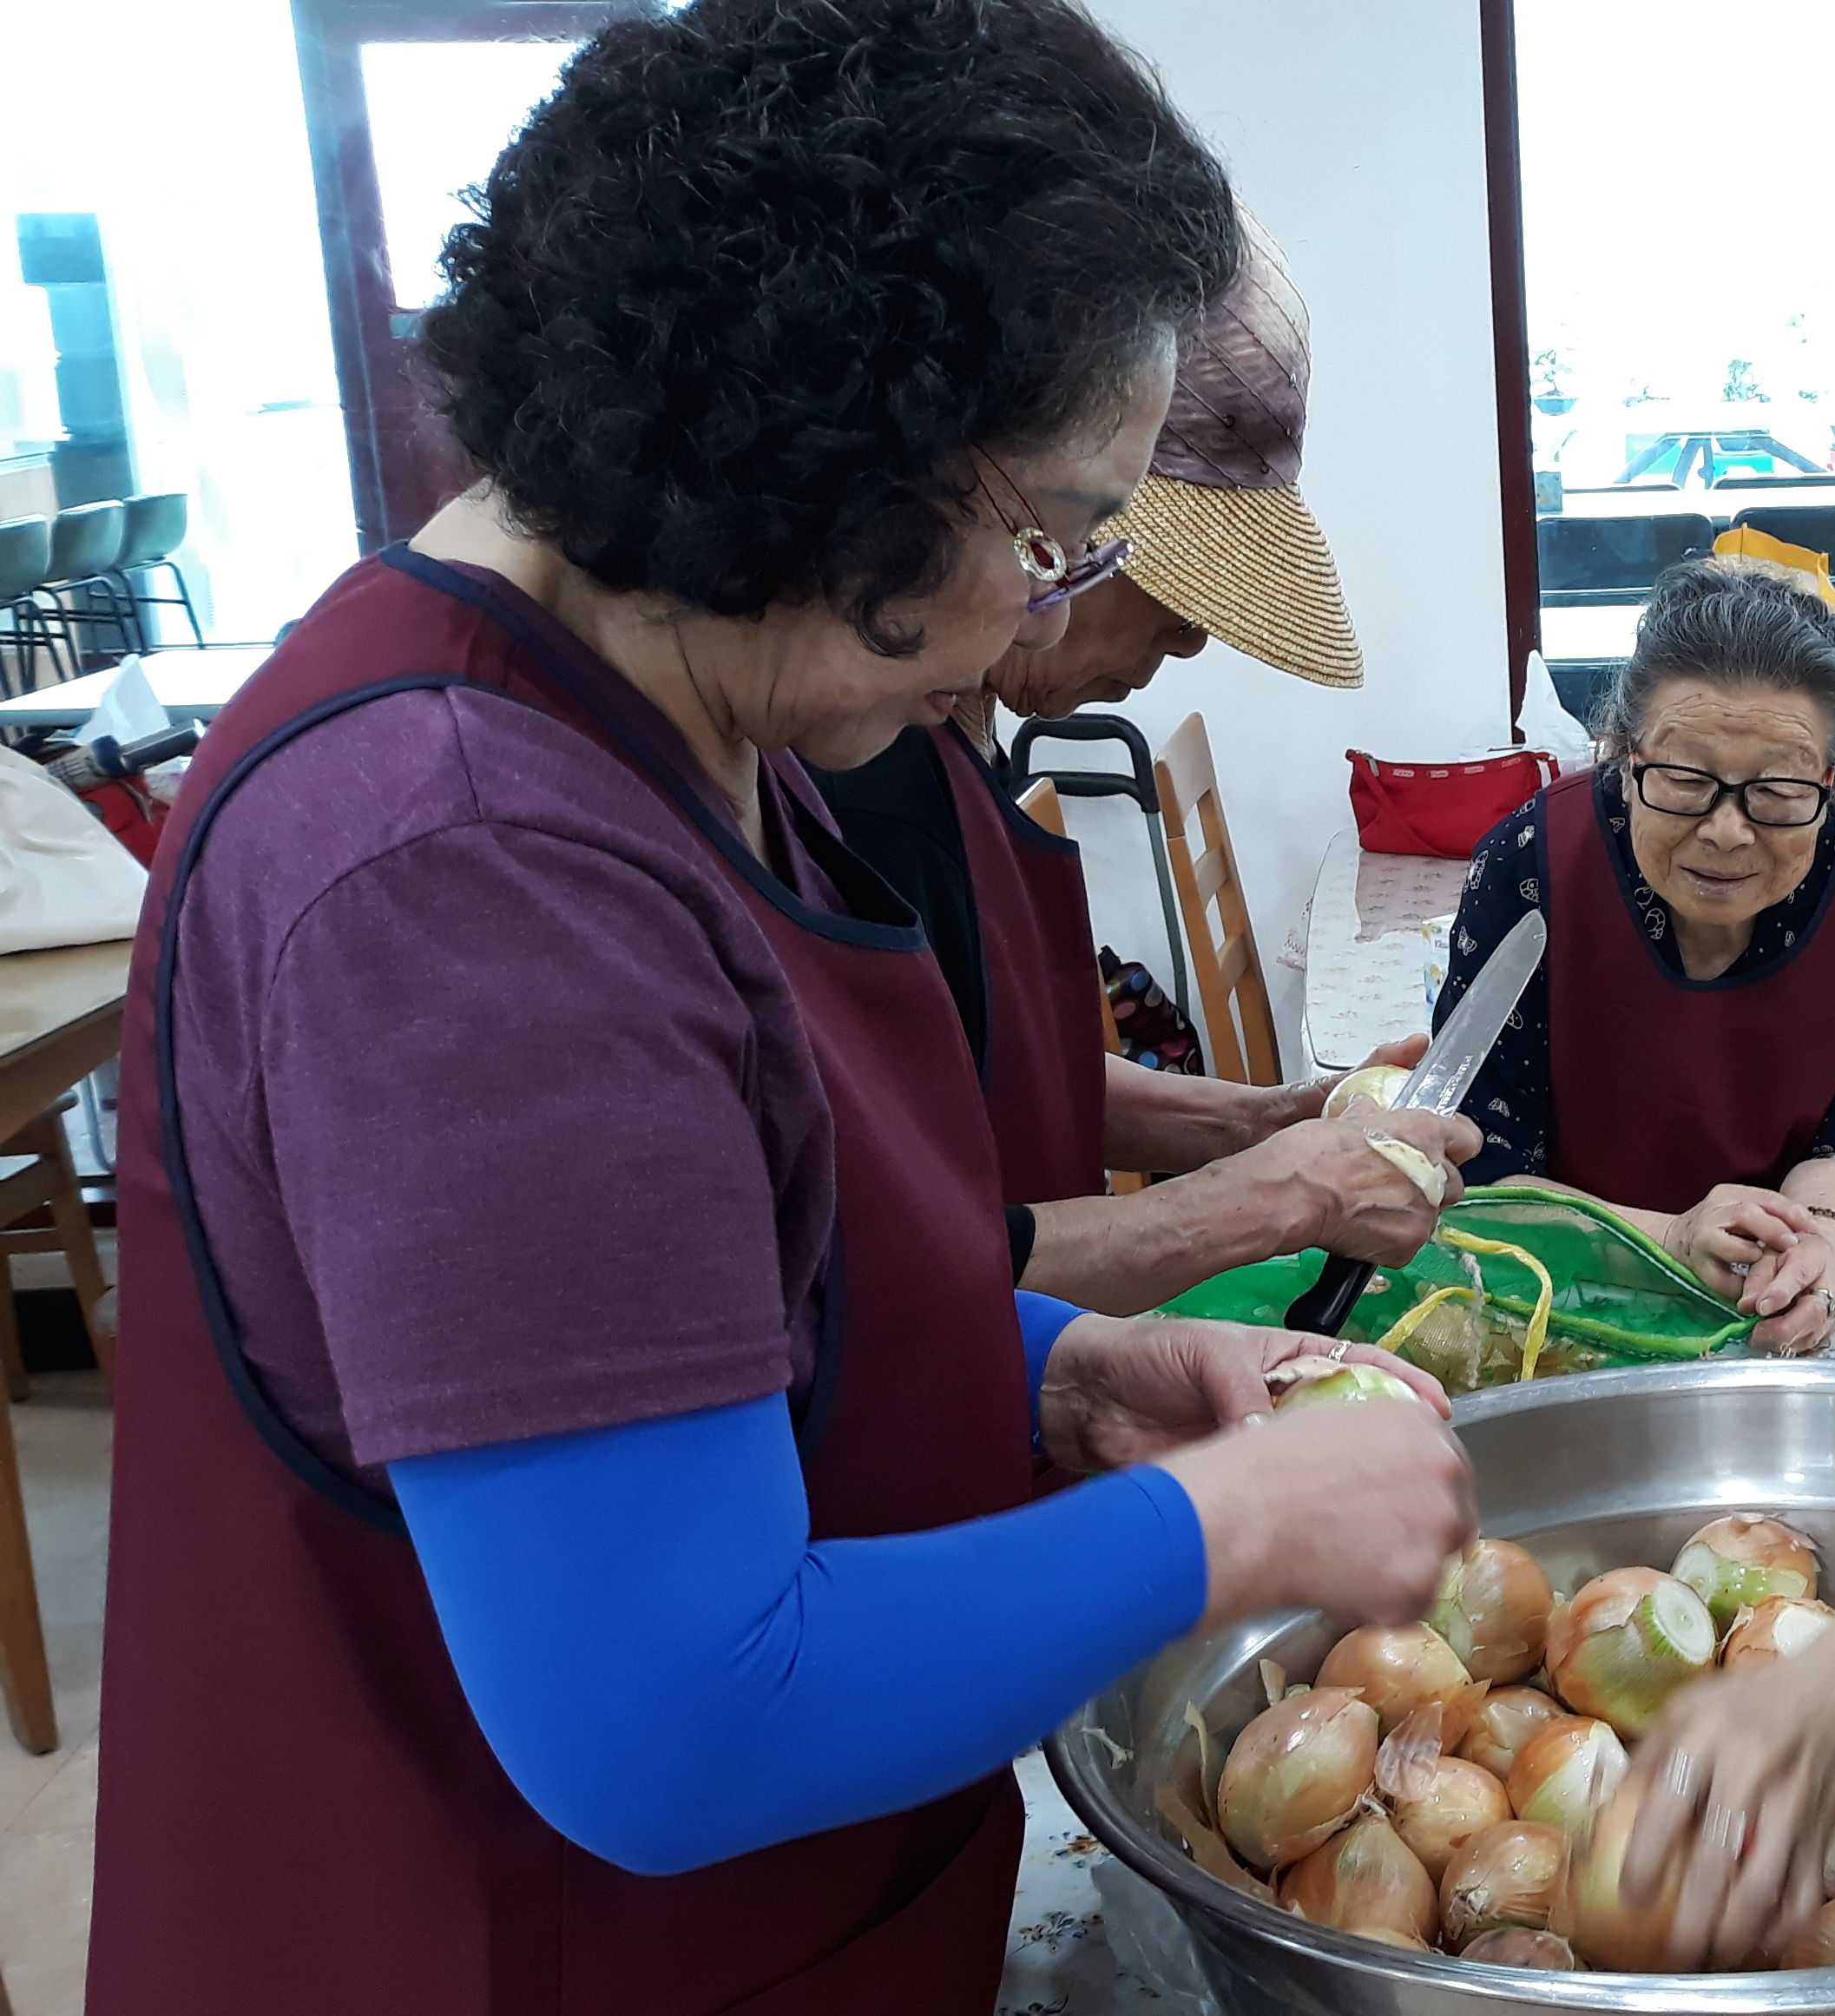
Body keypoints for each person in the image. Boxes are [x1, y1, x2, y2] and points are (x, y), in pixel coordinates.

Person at [88, 8, 1473, 2012]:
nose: (1041, 608)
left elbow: (701, 1318)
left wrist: (1052, 1371)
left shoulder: (693, 722)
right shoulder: (465, 877)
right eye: (1055, 530)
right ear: (853, 455)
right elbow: (673, 1719)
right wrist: (1219, 1527)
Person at [815, 203, 1474, 1316]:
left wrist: (1269, 1120)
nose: (1192, 637)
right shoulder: (858, 777)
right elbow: (889, 1266)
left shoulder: (961, 726)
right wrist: (1272, 1198)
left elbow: (996, 1076)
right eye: (1154, 585)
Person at [1432, 557, 1835, 1354]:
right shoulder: (1532, 864)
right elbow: (1479, 1163)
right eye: (1682, 779)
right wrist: (1670, 1240)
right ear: (1623, 756)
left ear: (1830, 778)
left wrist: (1822, 1248)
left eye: (1777, 791)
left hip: (1778, 1307)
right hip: (1563, 1290)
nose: (1728, 832)